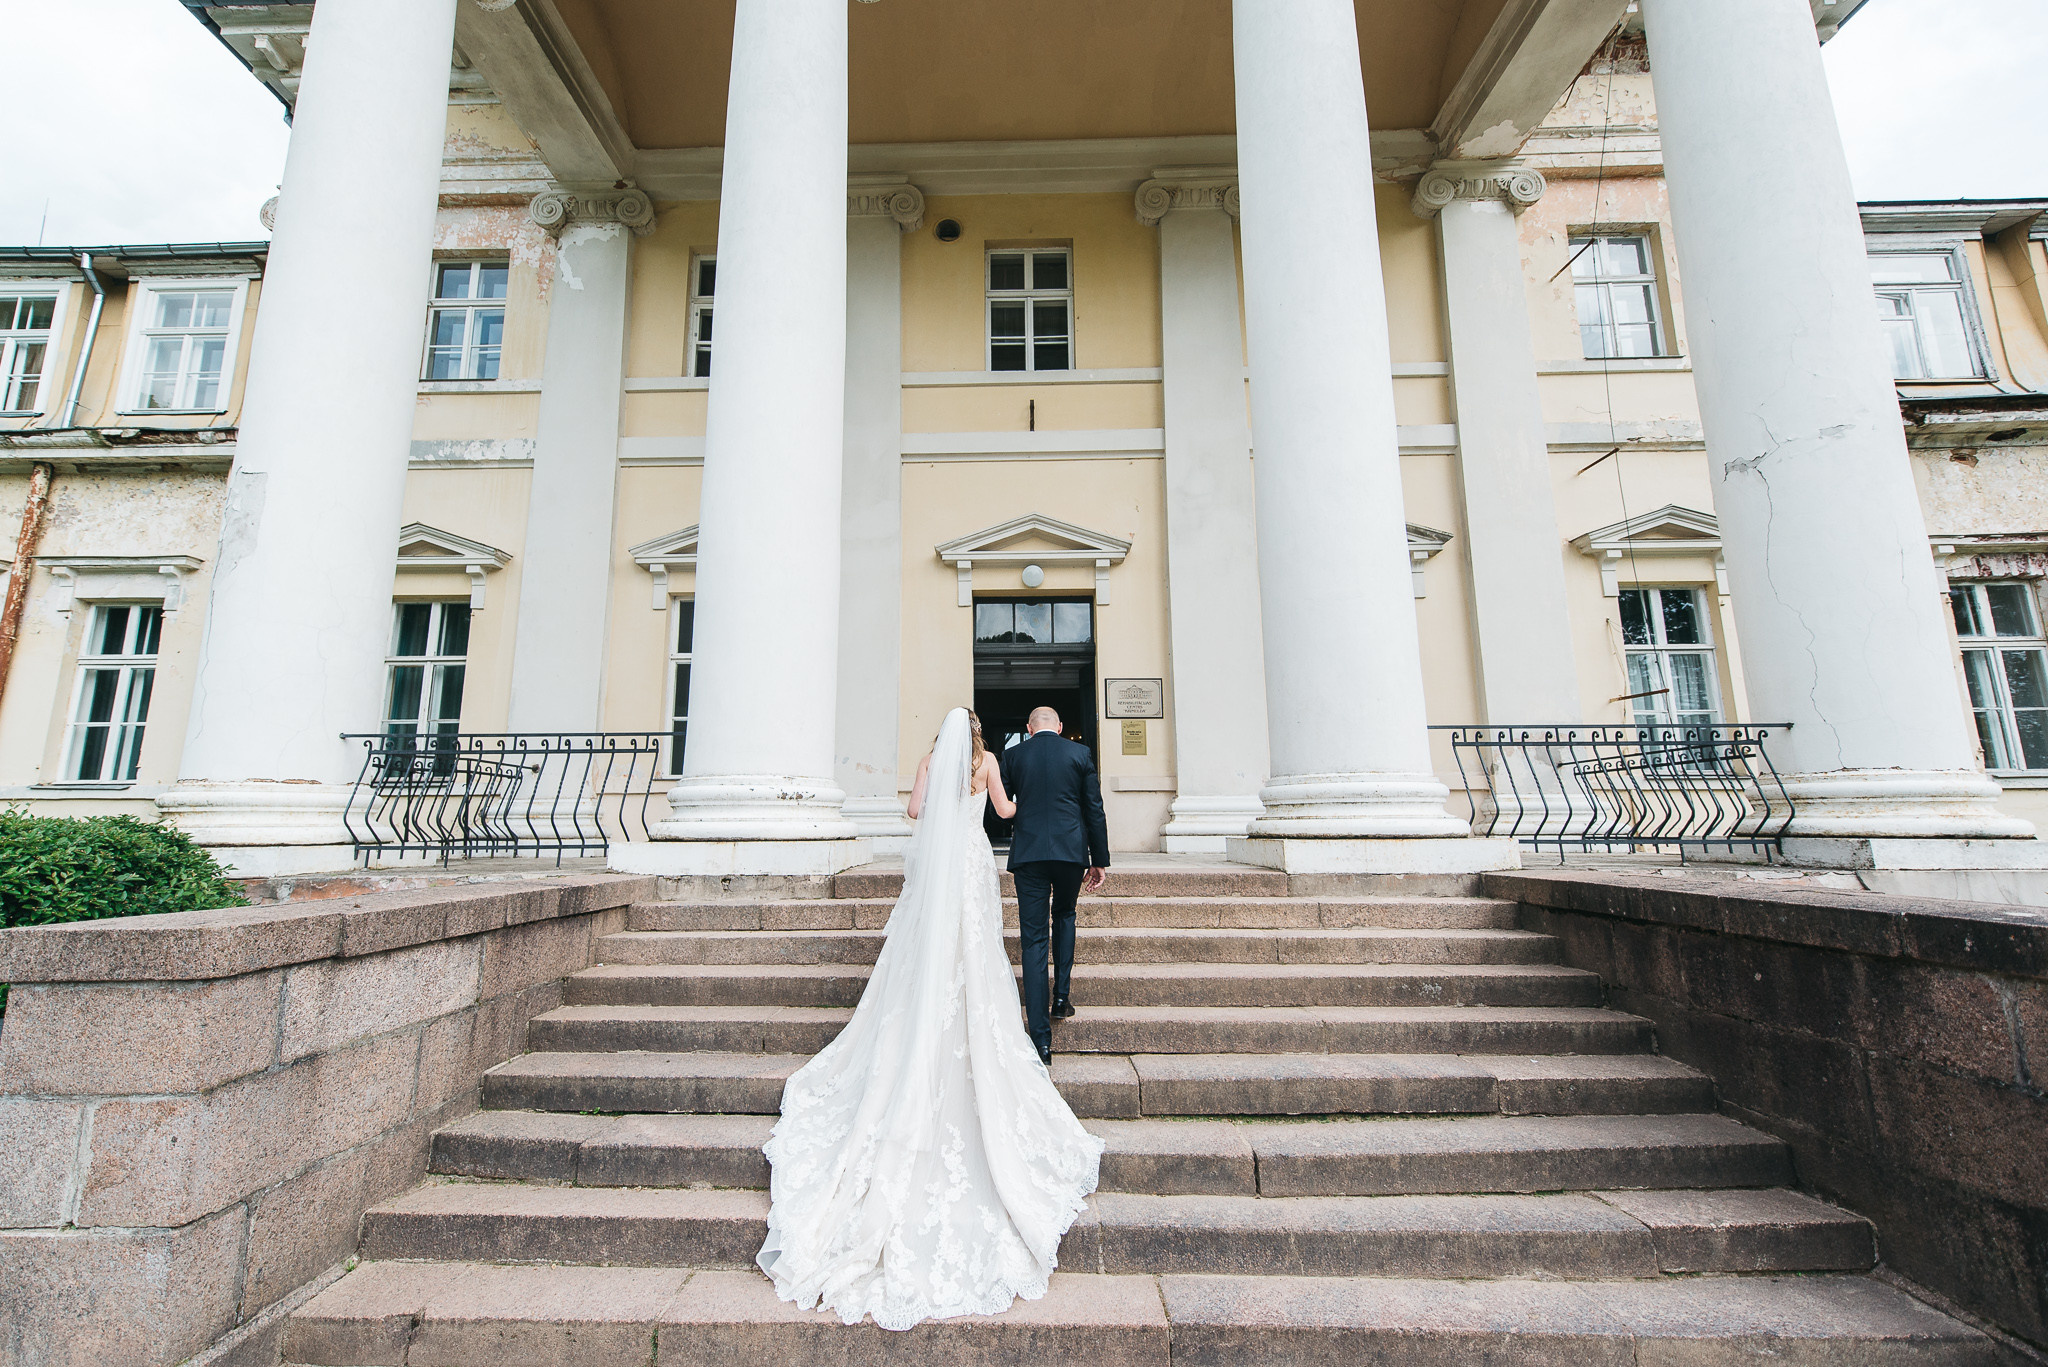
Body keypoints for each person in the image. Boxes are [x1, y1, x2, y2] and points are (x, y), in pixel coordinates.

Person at [756, 708, 1104, 1330]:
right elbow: (1003, 813)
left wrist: (941, 797)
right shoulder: (989, 763)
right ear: (974, 735)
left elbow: (915, 813)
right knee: (976, 950)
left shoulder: (926, 765)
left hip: (940, 870)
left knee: (924, 953)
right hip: (970, 868)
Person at [999, 705, 1111, 1063]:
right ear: (1059, 728)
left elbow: (999, 808)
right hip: (1069, 852)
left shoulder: (1013, 755)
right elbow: (1094, 807)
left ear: (1030, 729)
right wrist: (1099, 859)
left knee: (1033, 939)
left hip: (1030, 853)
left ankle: (1040, 1041)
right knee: (1065, 915)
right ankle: (1061, 999)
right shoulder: (1079, 753)